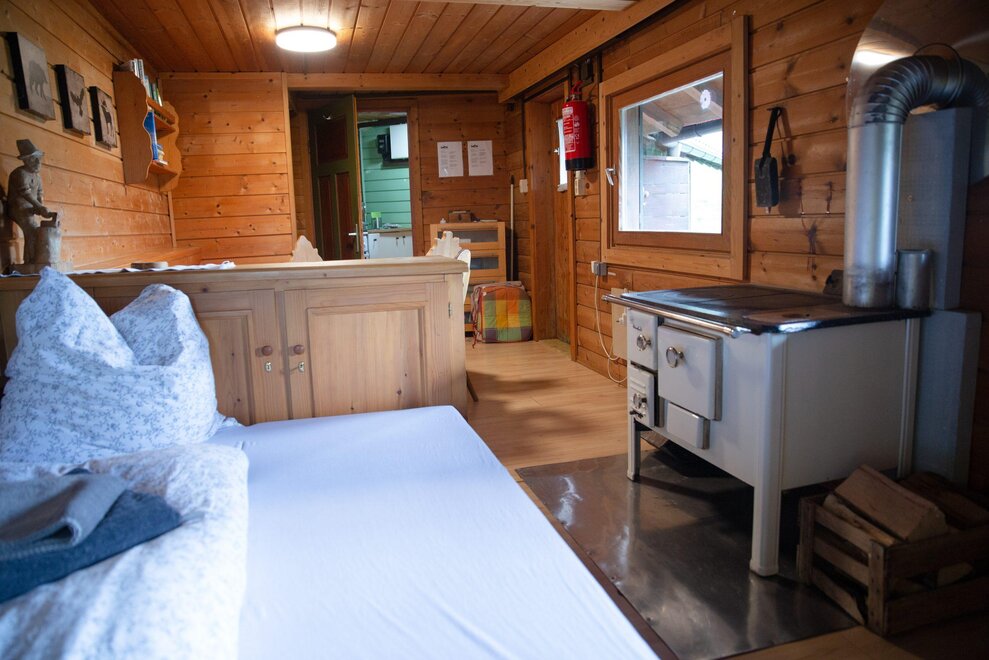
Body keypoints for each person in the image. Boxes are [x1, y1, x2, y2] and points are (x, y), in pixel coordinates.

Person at [5, 139, 58, 265]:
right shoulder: (20, 173)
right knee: (31, 229)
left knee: (37, 230)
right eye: (33, 159)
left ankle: (34, 259)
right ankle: (30, 261)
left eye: (39, 158)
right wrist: (39, 207)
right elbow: (26, 193)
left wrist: (41, 208)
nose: (38, 162)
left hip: (29, 206)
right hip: (18, 207)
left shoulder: (36, 176)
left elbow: (39, 193)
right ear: (25, 160)